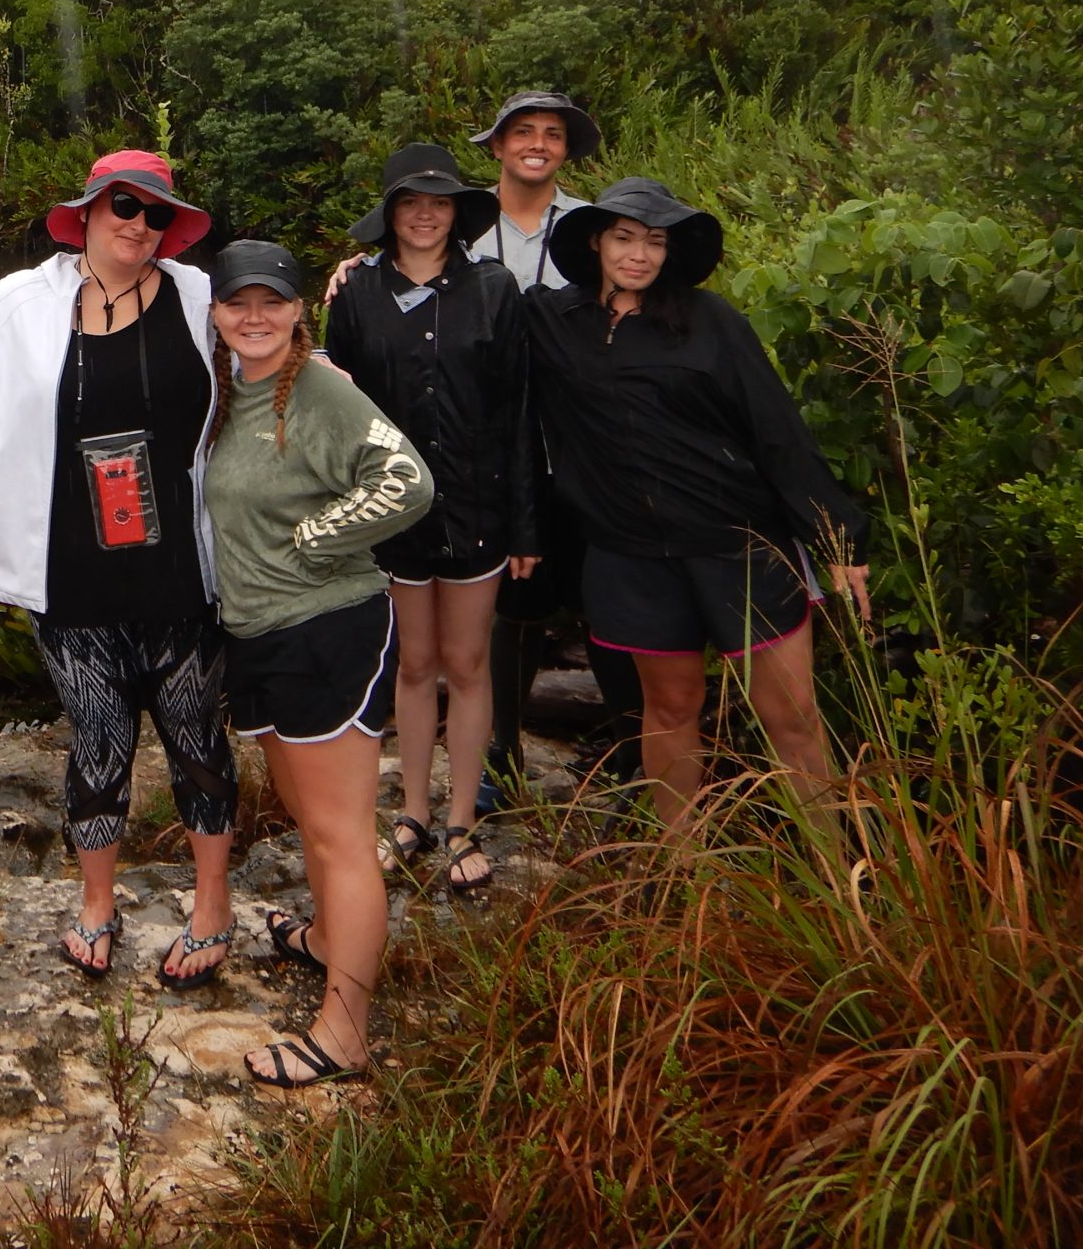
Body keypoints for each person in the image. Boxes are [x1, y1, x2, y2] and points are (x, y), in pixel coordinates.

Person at [0, 150, 243, 988]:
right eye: (123, 206)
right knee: (99, 740)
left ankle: (212, 904)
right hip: (67, 570)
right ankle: (98, 904)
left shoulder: (199, 296)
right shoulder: (15, 304)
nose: (138, 225)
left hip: (182, 563)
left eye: (154, 214)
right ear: (89, 211)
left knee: (196, 739)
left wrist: (328, 345)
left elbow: (272, 349)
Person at [524, 179, 873, 829]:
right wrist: (365, 272)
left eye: (654, 242)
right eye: (624, 238)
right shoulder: (553, 322)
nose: (638, 255)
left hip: (738, 546)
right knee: (671, 709)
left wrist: (839, 540)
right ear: (597, 240)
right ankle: (686, 874)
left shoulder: (712, 324)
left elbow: (778, 432)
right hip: (632, 556)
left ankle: (832, 873)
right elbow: (461, 317)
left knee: (790, 715)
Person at [326, 89, 641, 801]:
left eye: (552, 133)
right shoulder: (414, 263)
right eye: (522, 132)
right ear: (496, 147)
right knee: (496, 626)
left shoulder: (587, 231)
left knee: (599, 603)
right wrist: (352, 272)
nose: (537, 144)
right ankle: (491, 763)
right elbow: (350, 377)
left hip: (573, 451)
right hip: (446, 479)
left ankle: (626, 759)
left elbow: (627, 299)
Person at [203, 240, 435, 1087]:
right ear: (218, 313)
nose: (254, 317)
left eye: (272, 301)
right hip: (258, 636)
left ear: (300, 310)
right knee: (309, 817)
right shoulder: (230, 391)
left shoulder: (325, 390)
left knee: (342, 837)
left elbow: (408, 479)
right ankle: (334, 939)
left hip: (330, 630)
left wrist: (315, 537)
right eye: (238, 303)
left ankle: (344, 1033)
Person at [322, 145, 537, 894]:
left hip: (478, 503)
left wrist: (525, 528)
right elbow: (333, 411)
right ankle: (412, 814)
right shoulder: (355, 294)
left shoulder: (494, 288)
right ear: (389, 213)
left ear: (456, 212)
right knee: (414, 666)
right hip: (392, 513)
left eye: (439, 201)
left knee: (469, 665)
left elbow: (519, 413)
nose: (424, 213)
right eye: (410, 201)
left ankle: (462, 821)